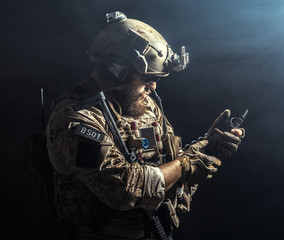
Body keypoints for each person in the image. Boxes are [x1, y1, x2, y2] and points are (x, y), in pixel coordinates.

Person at [44, 11, 245, 240]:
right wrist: (186, 163)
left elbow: (167, 167)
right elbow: (123, 189)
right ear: (116, 71)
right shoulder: (74, 118)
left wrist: (207, 147)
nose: (153, 87)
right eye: (148, 78)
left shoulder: (145, 105)